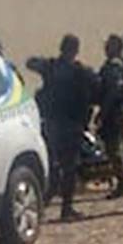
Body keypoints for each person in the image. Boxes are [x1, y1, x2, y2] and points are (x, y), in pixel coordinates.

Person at [27, 35, 94, 222]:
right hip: (71, 124)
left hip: (53, 122)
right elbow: (94, 89)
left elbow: (31, 63)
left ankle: (42, 206)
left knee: (54, 166)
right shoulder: (80, 71)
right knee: (69, 168)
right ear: (76, 50)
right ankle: (65, 208)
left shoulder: (52, 67)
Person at [96, 34, 123, 199]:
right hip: (121, 110)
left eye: (109, 45)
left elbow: (112, 91)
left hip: (113, 111)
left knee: (114, 149)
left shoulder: (114, 66)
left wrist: (102, 113)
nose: (105, 48)